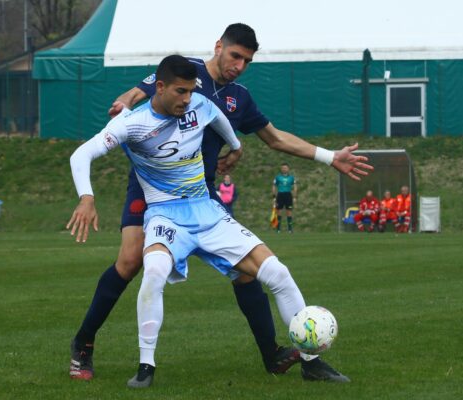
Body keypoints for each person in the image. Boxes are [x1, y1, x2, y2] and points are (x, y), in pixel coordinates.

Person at [68, 23, 372, 382]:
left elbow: (274, 139)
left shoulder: (239, 98)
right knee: (132, 260)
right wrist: (123, 105)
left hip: (202, 192)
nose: (239, 65)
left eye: (247, 60)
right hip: (151, 188)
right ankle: (84, 343)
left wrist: (327, 156)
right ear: (219, 48)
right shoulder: (187, 71)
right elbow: (138, 93)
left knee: (247, 272)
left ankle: (277, 356)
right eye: (235, 56)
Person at [272, 163, 297, 233]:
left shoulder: (291, 178)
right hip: (280, 194)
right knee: (279, 211)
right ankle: (278, 229)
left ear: (288, 169)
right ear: (281, 169)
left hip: (288, 195)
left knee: (289, 212)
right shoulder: (277, 177)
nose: (284, 169)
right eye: (283, 168)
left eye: (285, 168)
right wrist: (274, 196)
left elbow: (295, 187)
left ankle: (290, 229)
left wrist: (294, 197)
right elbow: (274, 186)